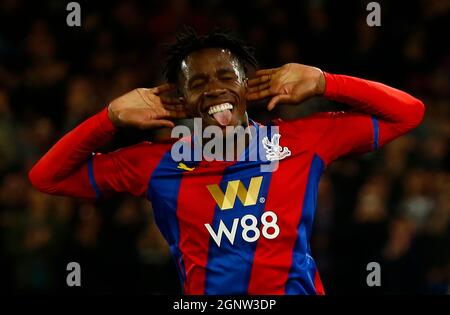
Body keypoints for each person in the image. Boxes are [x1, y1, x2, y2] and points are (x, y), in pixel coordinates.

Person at [28, 28, 425, 294]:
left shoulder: (302, 140)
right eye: (197, 84)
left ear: (246, 85)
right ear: (180, 101)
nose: (215, 89)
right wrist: (109, 117)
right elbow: (47, 178)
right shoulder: (157, 163)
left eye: (225, 76)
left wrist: (325, 81)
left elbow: (408, 113)